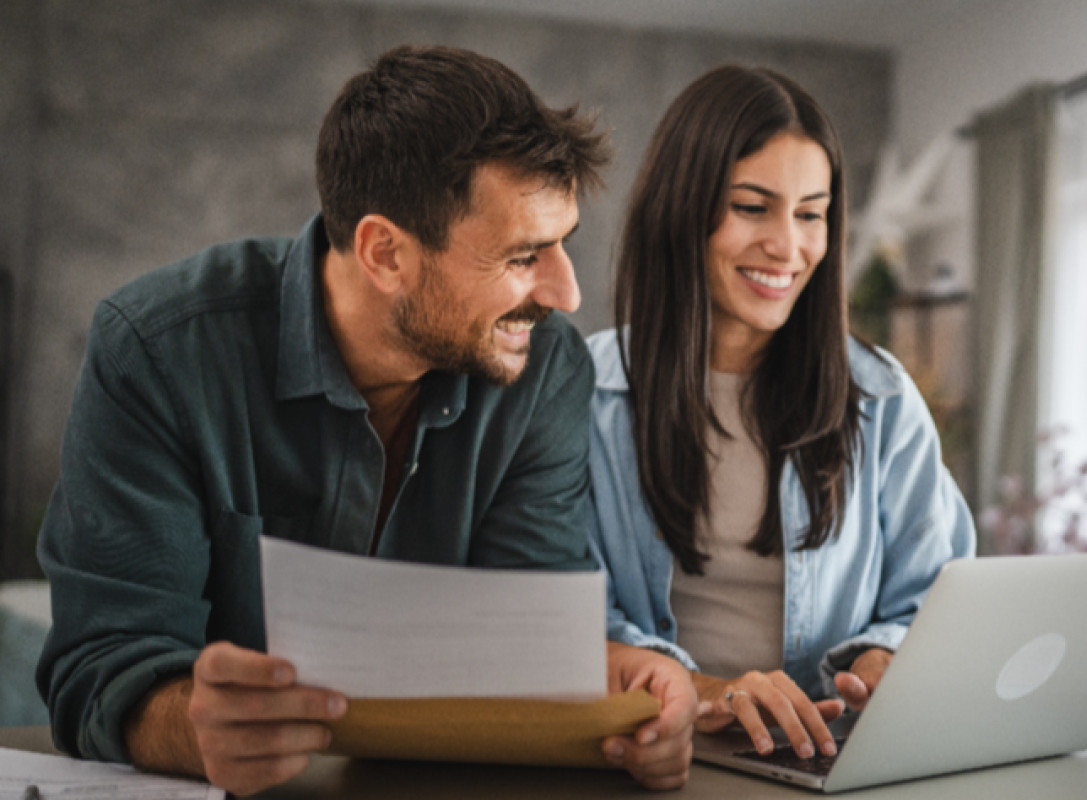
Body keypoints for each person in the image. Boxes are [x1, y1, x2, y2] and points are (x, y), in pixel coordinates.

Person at [34, 45, 696, 795]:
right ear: (385, 252)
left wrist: (630, 681)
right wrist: (193, 726)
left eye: (563, 243)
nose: (565, 294)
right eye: (523, 256)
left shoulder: (545, 373)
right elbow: (99, 668)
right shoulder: (157, 353)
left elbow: (523, 641)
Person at [586, 65, 976, 763]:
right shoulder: (587, 399)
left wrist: (887, 657)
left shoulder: (881, 402)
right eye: (752, 206)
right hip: (662, 757)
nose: (788, 246)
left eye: (810, 213)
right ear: (684, 207)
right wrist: (707, 690)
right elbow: (569, 619)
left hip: (831, 761)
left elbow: (936, 597)